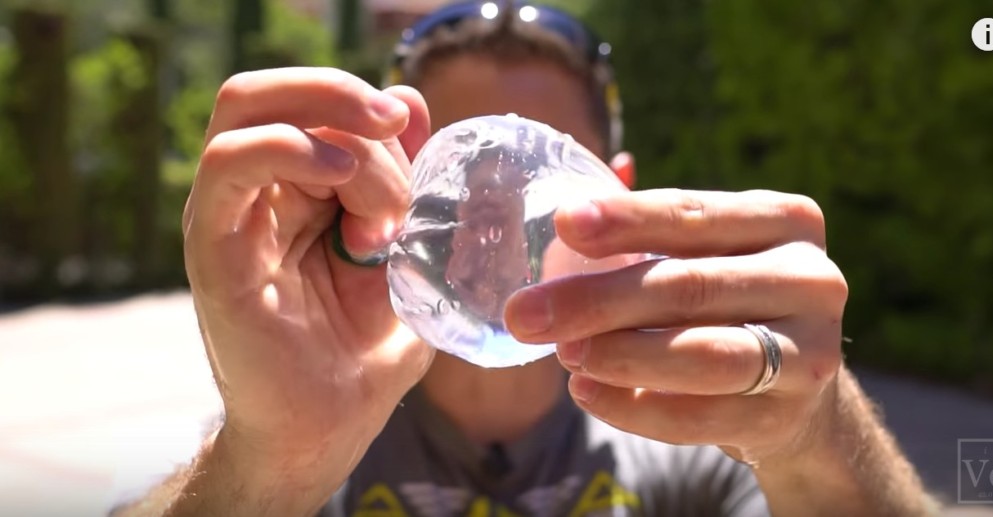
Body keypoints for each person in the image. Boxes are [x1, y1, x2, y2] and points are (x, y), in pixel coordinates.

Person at [113, 1, 940, 515]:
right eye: (462, 176)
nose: (493, 216)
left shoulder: (688, 446)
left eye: (532, 184)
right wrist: (262, 471)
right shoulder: (314, 446)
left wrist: (818, 439)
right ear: (384, 187)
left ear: (617, 195)